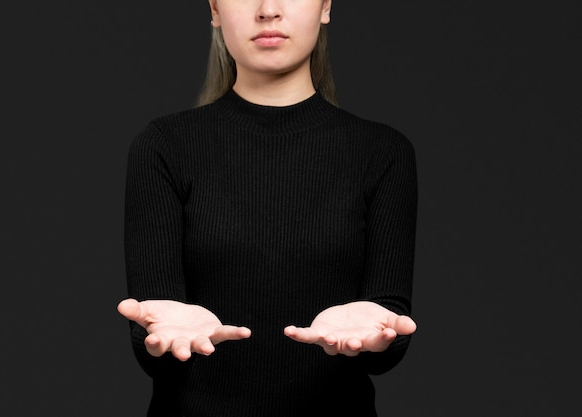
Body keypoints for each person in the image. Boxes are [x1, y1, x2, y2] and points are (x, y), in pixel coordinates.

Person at [117, 1, 419, 415]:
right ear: (215, 10)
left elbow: (389, 333)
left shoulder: (383, 152)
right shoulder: (165, 146)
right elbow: (153, 336)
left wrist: (376, 332)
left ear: (326, 6)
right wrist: (163, 333)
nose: (268, 9)